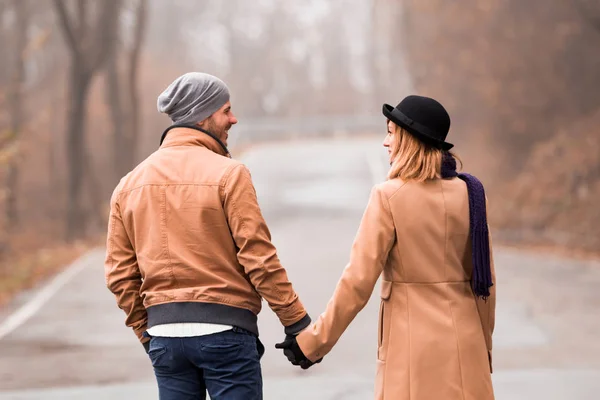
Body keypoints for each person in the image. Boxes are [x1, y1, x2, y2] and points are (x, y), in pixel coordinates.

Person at [105, 72, 311, 400]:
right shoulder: (230, 174)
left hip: (165, 339)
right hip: (225, 333)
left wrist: (148, 335)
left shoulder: (129, 184)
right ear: (202, 115)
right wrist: (296, 322)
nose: (233, 118)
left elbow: (119, 275)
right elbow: (259, 258)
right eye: (225, 110)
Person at [276, 95, 496, 400]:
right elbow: (486, 286)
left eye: (391, 132)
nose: (385, 141)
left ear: (409, 139)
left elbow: (357, 283)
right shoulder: (472, 194)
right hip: (468, 349)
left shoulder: (388, 196)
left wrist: (312, 344)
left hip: (412, 353)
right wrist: (483, 349)